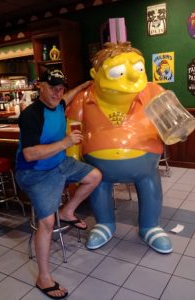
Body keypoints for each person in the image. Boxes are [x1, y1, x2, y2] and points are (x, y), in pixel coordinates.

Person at [66, 41, 173, 254]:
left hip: (145, 163)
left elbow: (171, 123)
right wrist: (74, 161)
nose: (134, 77)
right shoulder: (83, 98)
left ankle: (150, 225)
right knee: (99, 184)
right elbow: (73, 130)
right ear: (95, 74)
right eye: (118, 72)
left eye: (139, 69)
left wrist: (174, 129)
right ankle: (104, 223)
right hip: (98, 168)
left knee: (149, 181)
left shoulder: (152, 92)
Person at [15, 69, 102, 299]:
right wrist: (65, 142)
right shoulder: (31, 115)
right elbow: (30, 154)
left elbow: (68, 96)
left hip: (59, 165)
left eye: (61, 87)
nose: (57, 92)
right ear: (39, 86)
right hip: (34, 173)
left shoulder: (60, 103)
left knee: (94, 176)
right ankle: (43, 278)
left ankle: (68, 211)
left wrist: (84, 84)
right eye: (52, 87)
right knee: (46, 222)